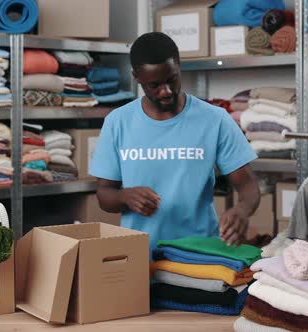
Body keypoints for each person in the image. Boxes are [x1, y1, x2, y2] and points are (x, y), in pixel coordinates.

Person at [90, 32, 261, 252]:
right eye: (154, 85)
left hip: (200, 256)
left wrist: (242, 210)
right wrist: (125, 196)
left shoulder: (215, 119)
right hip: (140, 257)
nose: (166, 91)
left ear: (179, 66)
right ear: (137, 77)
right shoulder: (117, 122)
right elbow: (104, 195)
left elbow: (247, 185)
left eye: (172, 80)